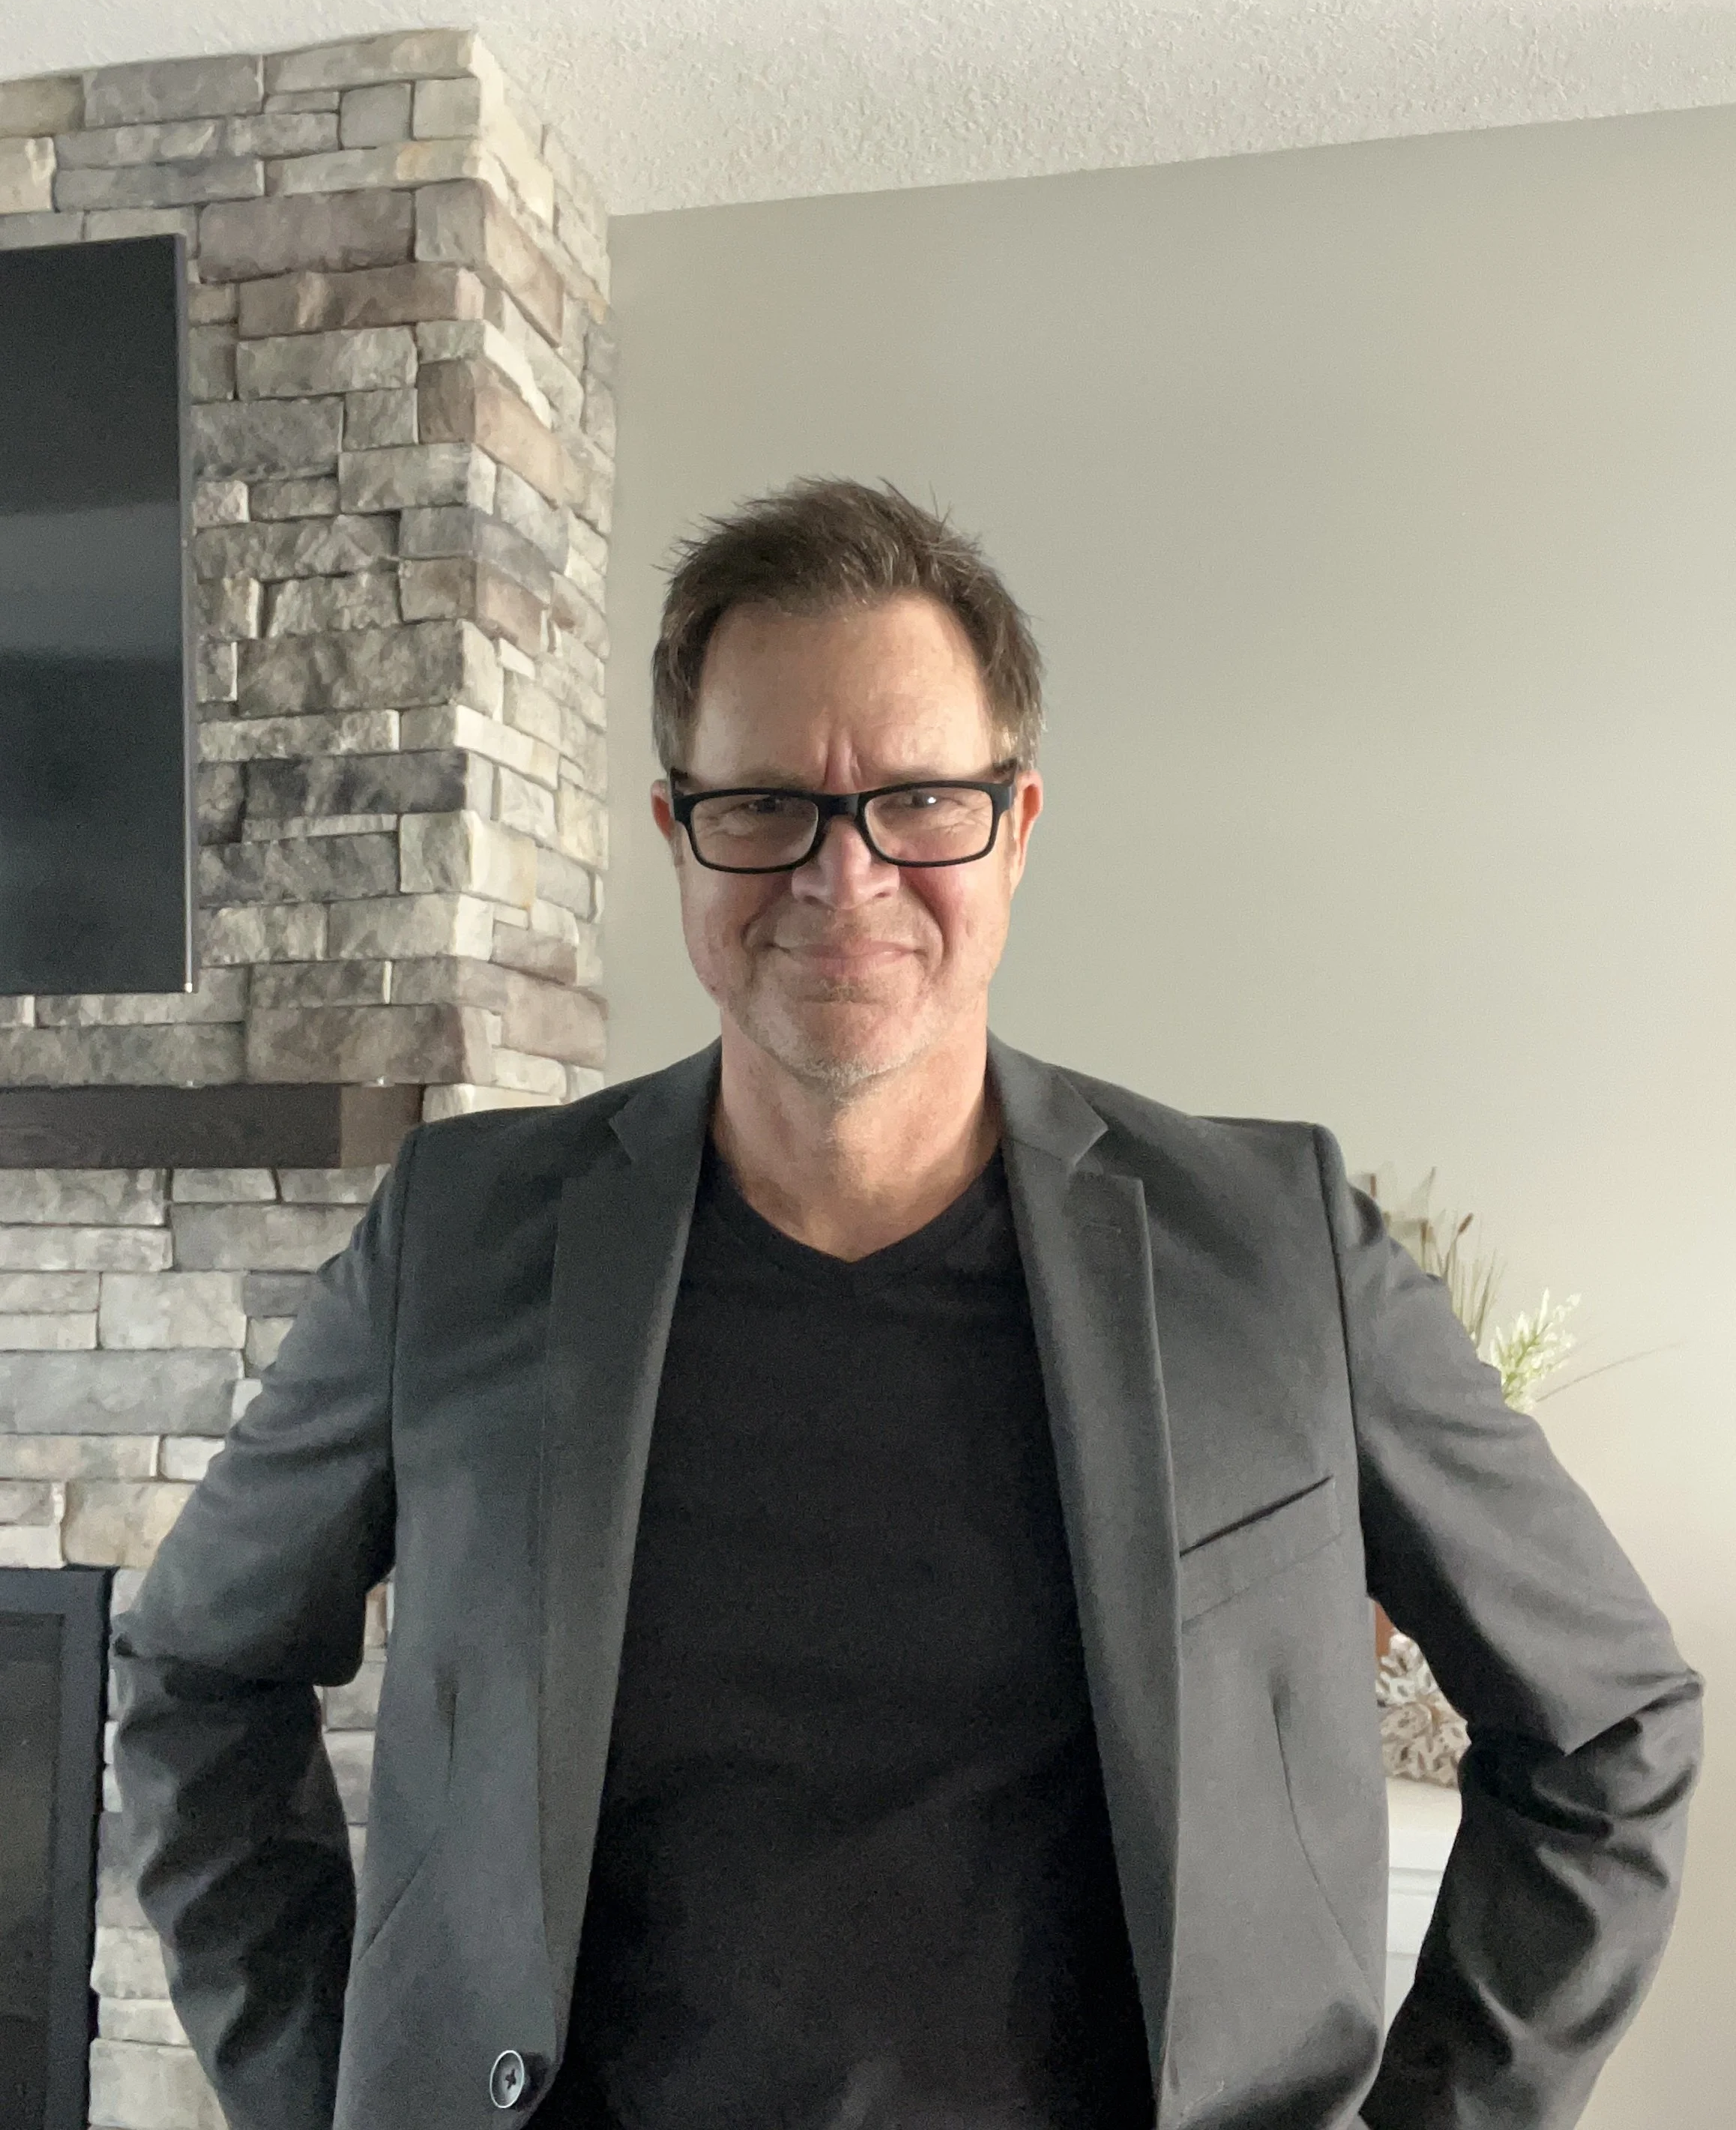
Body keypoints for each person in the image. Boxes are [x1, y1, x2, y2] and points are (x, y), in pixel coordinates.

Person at [114, 479, 1702, 2130]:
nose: (841, 872)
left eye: (920, 802)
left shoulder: (1271, 1246)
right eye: (767, 804)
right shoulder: (462, 1236)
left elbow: (1610, 1722)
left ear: (1015, 829)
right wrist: (322, 2091)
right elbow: (194, 1675)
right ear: (678, 832)